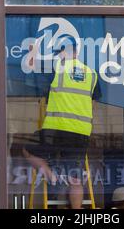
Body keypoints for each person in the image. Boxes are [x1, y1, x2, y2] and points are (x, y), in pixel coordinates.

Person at [22, 36, 100, 209]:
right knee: (76, 179)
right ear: (77, 52)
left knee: (27, 150)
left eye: (59, 52)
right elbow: (93, 104)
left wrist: (33, 50)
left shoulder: (58, 68)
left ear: (63, 52)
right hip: (80, 132)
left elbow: (31, 65)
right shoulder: (91, 74)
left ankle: (51, 176)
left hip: (56, 130)